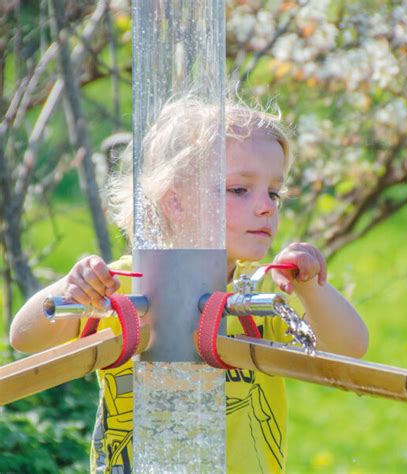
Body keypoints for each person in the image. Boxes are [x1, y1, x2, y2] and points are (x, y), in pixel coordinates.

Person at [10, 97, 369, 473]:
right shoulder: (122, 287)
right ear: (176, 204)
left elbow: (349, 349)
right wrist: (72, 290)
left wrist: (312, 287)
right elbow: (25, 338)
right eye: (240, 190)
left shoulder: (255, 294)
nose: (267, 207)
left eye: (274, 192)